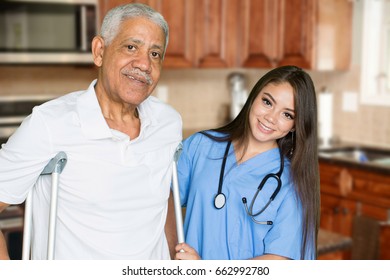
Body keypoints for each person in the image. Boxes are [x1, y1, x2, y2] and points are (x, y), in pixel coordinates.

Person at [0, 3, 182, 260]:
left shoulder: (168, 122)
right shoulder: (49, 124)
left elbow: (162, 195)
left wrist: (175, 260)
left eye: (155, 54)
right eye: (131, 47)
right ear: (99, 51)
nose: (144, 64)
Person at [174, 65, 320, 260]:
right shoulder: (200, 145)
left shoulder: (291, 184)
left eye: (287, 115)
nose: (270, 118)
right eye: (267, 102)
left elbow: (280, 260)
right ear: (253, 97)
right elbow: (162, 200)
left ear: (295, 125)